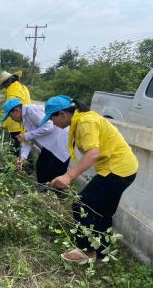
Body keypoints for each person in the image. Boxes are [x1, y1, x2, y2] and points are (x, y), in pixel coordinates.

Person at [41, 95, 138, 262]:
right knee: (102, 211)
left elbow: (93, 153)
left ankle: (86, 251)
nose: (53, 123)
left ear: (63, 114)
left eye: (52, 118)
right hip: (125, 169)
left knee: (81, 205)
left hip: (117, 170)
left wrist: (68, 176)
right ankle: (101, 252)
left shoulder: (85, 122)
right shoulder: (82, 119)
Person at [1, 98, 70, 184]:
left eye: (11, 116)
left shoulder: (31, 110)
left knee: (55, 172)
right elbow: (30, 138)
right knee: (41, 167)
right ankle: (44, 191)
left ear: (16, 110)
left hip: (61, 141)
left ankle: (55, 194)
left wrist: (26, 136)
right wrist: (23, 157)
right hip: (50, 144)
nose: (12, 119)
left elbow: (49, 126)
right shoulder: (25, 118)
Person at [0, 71, 31, 155]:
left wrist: (4, 124)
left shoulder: (11, 89)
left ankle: (16, 166)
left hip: (16, 123)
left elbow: (12, 111)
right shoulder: (23, 87)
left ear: (8, 81)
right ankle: (26, 166)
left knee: (15, 150)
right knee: (24, 147)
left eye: (4, 84)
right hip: (25, 122)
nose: (5, 87)